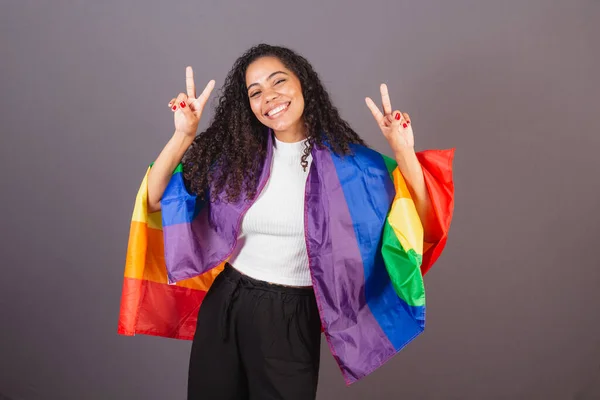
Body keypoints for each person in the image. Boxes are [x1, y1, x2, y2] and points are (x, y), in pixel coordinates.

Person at [117, 43, 454, 400]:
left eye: (279, 82)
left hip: (292, 315)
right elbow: (155, 198)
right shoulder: (237, 159)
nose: (270, 97)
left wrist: (403, 152)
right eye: (256, 92)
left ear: (303, 83)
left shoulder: (354, 167)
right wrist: (183, 135)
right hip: (226, 304)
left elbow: (422, 221)